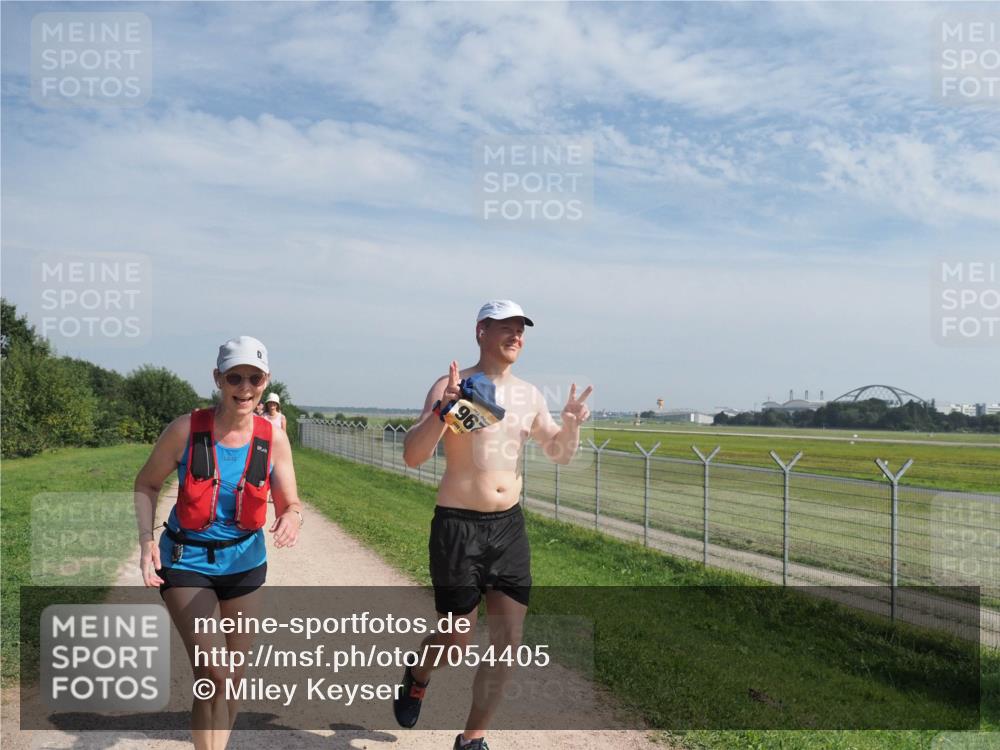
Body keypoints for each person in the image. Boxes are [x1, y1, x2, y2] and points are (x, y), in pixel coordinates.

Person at [396, 300, 592, 750]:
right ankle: (418, 674)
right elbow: (413, 455)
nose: (516, 336)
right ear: (481, 330)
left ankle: (472, 739)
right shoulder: (454, 385)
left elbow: (559, 453)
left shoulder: (529, 395)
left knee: (509, 641)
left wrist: (569, 425)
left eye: (521, 329)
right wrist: (443, 411)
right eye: (506, 327)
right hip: (457, 528)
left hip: (508, 529)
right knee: (455, 639)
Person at [133, 335, 304, 750]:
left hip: (244, 564)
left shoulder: (273, 438)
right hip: (186, 560)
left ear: (266, 381)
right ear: (218, 378)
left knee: (232, 676)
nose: (245, 388)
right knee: (214, 672)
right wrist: (145, 542)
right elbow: (147, 483)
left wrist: (291, 516)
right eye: (235, 377)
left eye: (254, 378)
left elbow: (290, 500)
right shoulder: (185, 430)